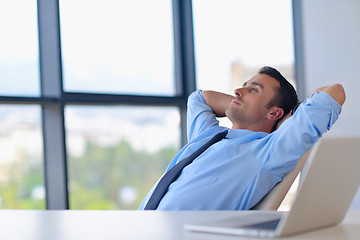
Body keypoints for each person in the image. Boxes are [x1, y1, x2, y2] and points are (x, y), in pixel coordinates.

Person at [138, 66, 345, 210]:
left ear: (274, 113)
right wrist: (245, 106)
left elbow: (334, 93)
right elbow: (199, 98)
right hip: (137, 226)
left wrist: (284, 122)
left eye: (253, 90)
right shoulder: (207, 134)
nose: (238, 91)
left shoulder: (268, 152)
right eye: (244, 86)